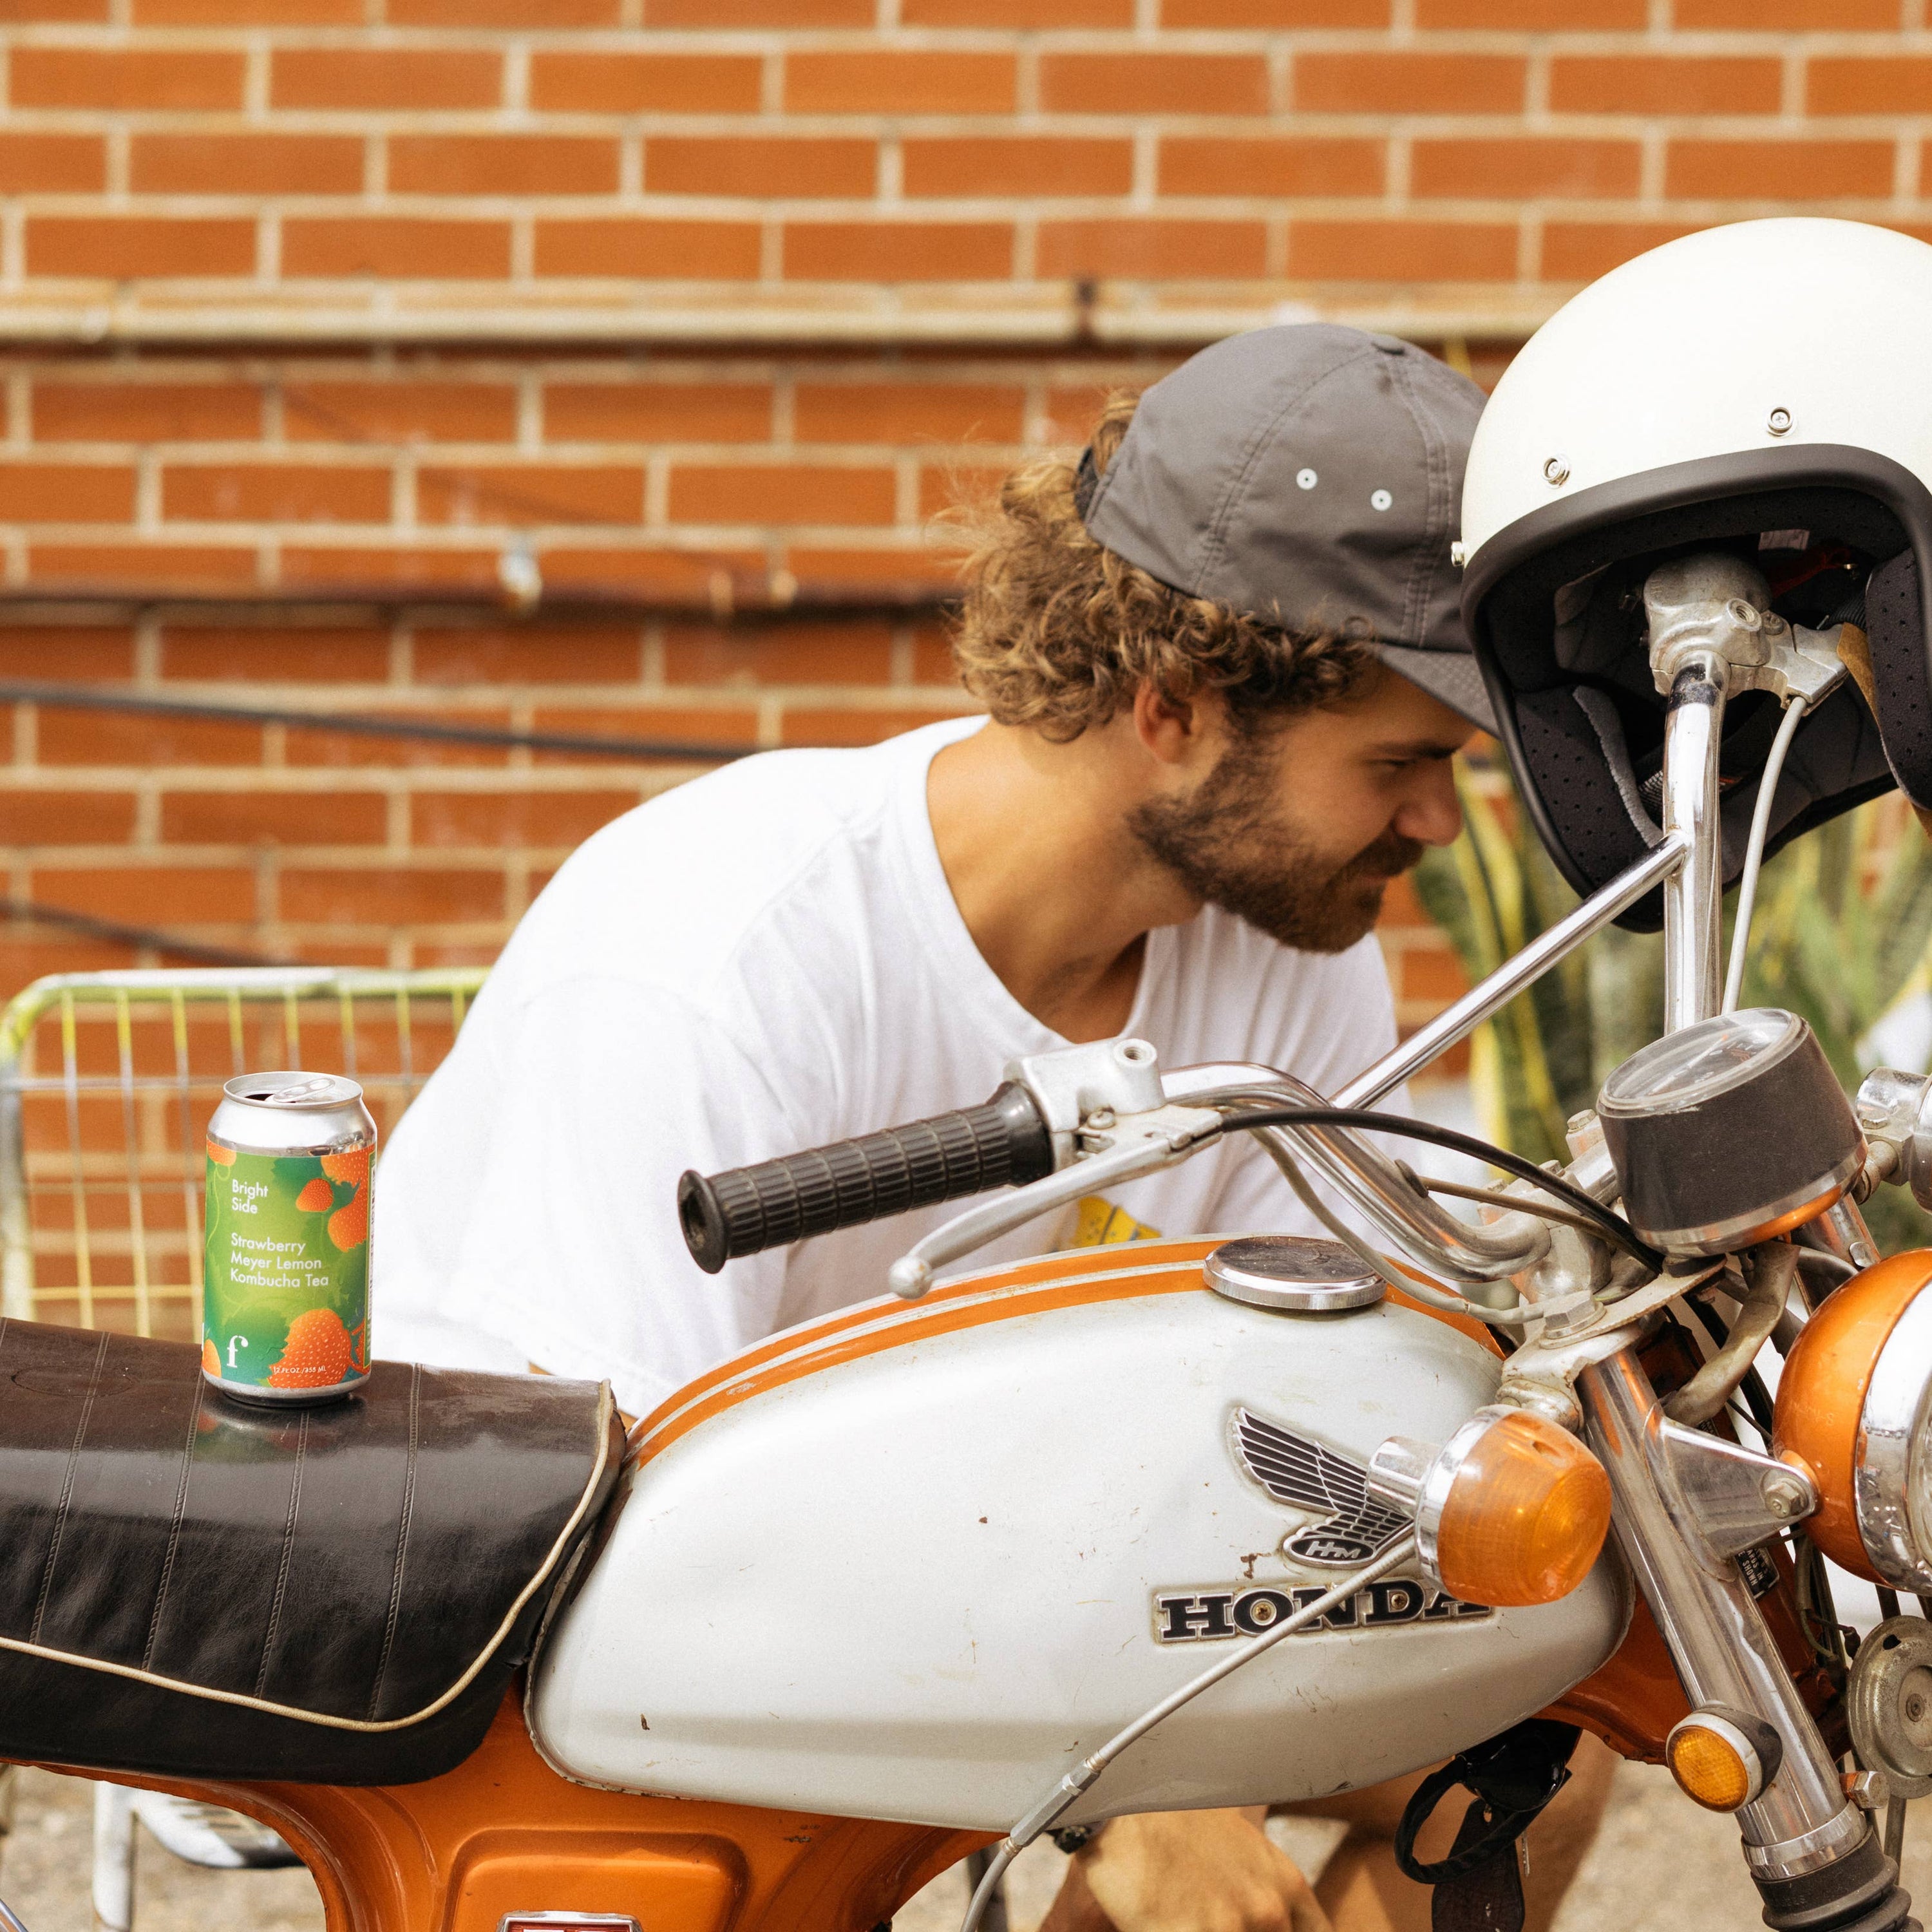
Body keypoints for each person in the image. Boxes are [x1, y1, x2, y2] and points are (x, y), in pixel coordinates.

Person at [375, 322, 1613, 1931]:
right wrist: (1127, 1792)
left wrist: (1183, 1775)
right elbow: (638, 1569)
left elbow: (1300, 1417)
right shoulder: (720, 952)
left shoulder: (1297, 970)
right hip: (573, 1661)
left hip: (1015, 1605)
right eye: (1398, 760)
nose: (1441, 821)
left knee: (1539, 1741)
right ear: (1173, 702)